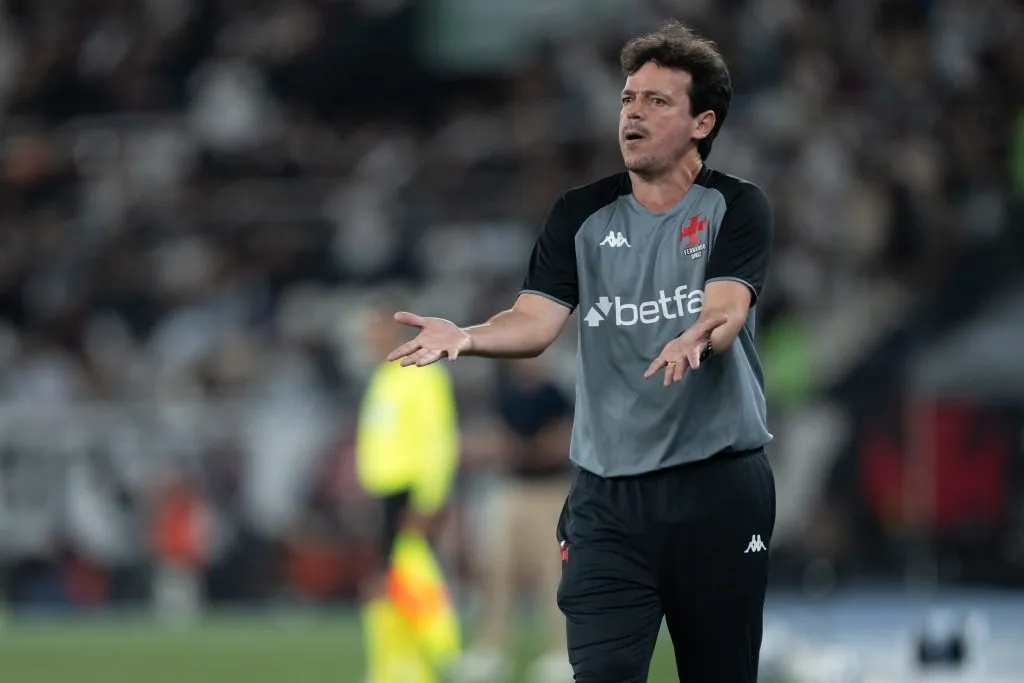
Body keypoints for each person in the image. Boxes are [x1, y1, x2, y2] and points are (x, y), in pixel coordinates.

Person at [388, 19, 776, 683]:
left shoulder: (734, 206)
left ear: (702, 122)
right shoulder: (580, 215)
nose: (633, 112)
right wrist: (469, 336)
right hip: (608, 501)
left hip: (717, 489)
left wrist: (697, 333)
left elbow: (727, 307)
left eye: (657, 101)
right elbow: (535, 320)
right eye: (628, 98)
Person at [355, 297, 462, 683]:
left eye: (376, 329)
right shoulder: (386, 376)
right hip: (386, 493)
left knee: (410, 581)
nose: (369, 338)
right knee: (387, 585)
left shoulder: (421, 374)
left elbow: (438, 439)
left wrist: (429, 500)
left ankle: (444, 652)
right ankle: (398, 670)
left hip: (409, 494)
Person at [453, 357, 574, 683]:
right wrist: (517, 449)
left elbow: (560, 444)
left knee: (555, 575)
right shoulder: (504, 395)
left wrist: (517, 449)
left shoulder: (555, 395)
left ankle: (561, 653)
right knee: (496, 571)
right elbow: (495, 442)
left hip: (550, 490)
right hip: (512, 488)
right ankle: (491, 651)